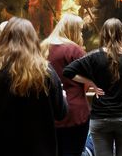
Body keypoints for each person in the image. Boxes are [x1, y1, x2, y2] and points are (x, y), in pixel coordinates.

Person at [0, 17, 67, 156]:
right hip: (39, 149)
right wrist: (63, 97)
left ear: (3, 39)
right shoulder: (46, 72)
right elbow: (61, 113)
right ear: (33, 41)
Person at [63, 18, 122, 156]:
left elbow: (68, 71)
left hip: (100, 117)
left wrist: (90, 82)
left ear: (103, 34)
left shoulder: (94, 57)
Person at [41, 14, 95, 156]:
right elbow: (91, 77)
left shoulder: (43, 46)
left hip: (49, 110)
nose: (81, 34)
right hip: (74, 113)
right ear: (73, 30)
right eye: (80, 30)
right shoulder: (73, 50)